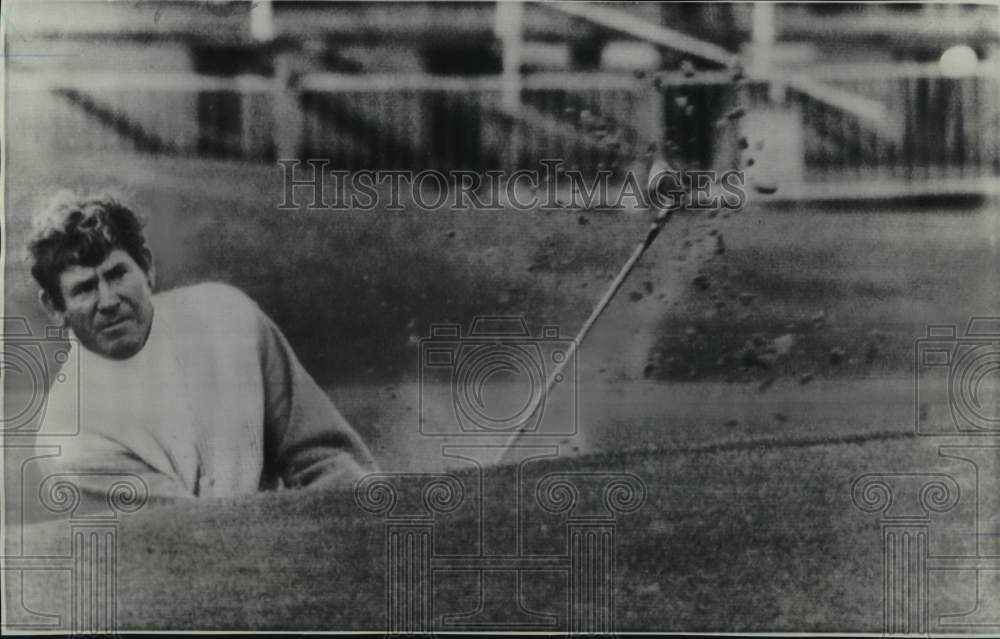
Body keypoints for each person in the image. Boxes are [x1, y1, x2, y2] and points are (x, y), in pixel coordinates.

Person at [30, 190, 377, 504]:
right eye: (84, 288)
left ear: (147, 267)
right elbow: (192, 539)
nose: (108, 301)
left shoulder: (229, 318)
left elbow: (327, 457)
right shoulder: (69, 435)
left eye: (117, 274)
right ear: (55, 307)